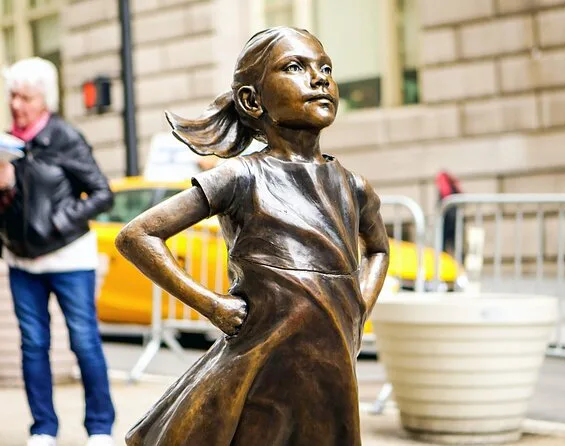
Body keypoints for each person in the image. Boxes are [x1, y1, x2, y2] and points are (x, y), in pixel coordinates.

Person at [115, 27, 390, 445]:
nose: (320, 79)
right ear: (251, 100)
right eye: (295, 67)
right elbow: (138, 235)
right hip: (261, 363)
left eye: (326, 68)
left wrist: (358, 305)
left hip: (331, 360)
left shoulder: (353, 186)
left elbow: (378, 251)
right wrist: (212, 305)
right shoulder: (241, 176)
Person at [0, 58, 116, 446]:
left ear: (44, 100)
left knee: (83, 341)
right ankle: (43, 428)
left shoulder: (65, 136)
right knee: (33, 345)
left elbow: (101, 193)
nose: (16, 104)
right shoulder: (7, 144)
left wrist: (57, 222)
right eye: (13, 95)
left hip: (70, 259)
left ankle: (100, 427)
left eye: (26, 97)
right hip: (21, 261)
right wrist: (4, 187)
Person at [435, 170, 463, 254]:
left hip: (451, 221)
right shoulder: (453, 188)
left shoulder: (448, 189)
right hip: (449, 221)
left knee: (454, 245)